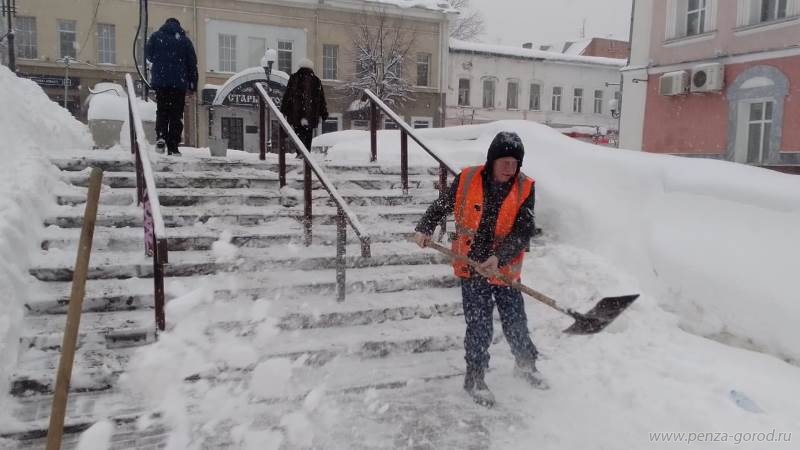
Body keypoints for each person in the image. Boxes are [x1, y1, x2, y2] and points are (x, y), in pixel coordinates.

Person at [414, 131, 546, 407]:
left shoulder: (525, 187)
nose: (510, 166)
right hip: (471, 266)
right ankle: (474, 377)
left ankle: (525, 365)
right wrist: (425, 227)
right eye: (504, 160)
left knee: (515, 320)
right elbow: (442, 205)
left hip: (503, 269)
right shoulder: (468, 178)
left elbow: (523, 231)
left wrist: (499, 258)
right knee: (479, 325)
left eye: (515, 161)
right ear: (492, 160)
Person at [146, 18, 198, 156]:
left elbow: (149, 56)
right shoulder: (185, 41)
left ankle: (161, 136)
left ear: (165, 24)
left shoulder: (156, 37)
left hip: (161, 82)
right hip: (179, 84)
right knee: (176, 115)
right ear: (178, 26)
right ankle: (173, 145)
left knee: (162, 110)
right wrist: (192, 85)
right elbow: (192, 64)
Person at [280, 58, 328, 158]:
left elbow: (288, 95)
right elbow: (321, 98)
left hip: (296, 113)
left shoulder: (294, 78)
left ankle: (300, 152)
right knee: (308, 133)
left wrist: (284, 109)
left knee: (298, 132)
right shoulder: (316, 80)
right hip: (311, 113)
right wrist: (323, 113)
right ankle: (306, 153)